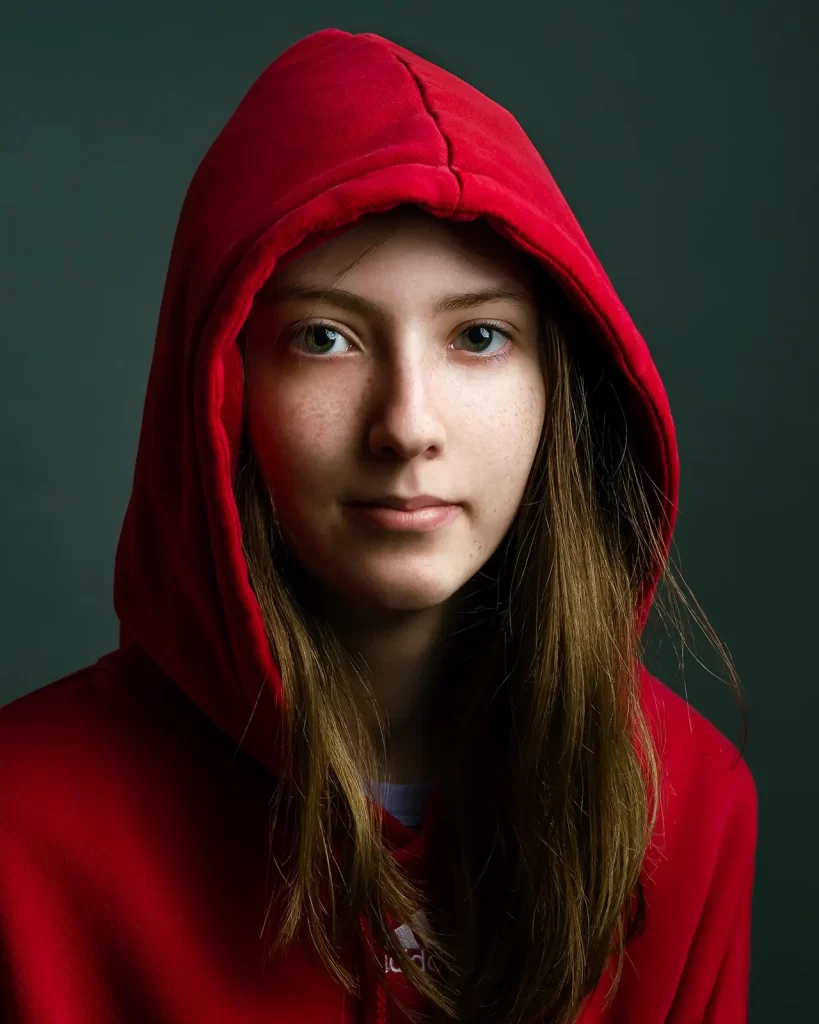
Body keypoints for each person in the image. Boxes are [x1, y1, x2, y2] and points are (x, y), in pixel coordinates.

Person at [0, 26, 757, 1024]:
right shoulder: (23, 823)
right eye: (325, 339)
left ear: (558, 386)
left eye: (478, 336)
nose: (407, 424)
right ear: (218, 386)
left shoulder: (685, 801)